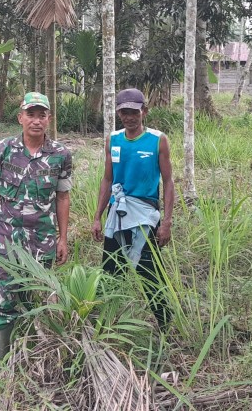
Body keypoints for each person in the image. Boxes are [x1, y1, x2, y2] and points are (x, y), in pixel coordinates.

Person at [0, 92, 73, 362]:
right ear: (20, 117)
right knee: (4, 291)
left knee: (41, 292)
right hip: (7, 235)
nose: (36, 120)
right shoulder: (3, 149)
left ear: (48, 119)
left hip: (42, 236)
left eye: (41, 115)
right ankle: (1, 359)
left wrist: (62, 238)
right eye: (30, 114)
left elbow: (63, 196)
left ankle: (38, 353)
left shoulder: (60, 154)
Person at [92, 88, 174, 329]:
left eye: (133, 112)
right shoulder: (113, 140)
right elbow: (107, 179)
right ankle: (107, 324)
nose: (129, 117)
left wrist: (166, 222)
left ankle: (164, 323)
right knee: (111, 270)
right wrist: (97, 216)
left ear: (144, 112)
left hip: (145, 215)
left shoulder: (158, 140)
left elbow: (168, 181)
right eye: (124, 112)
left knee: (149, 271)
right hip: (117, 213)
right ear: (118, 113)